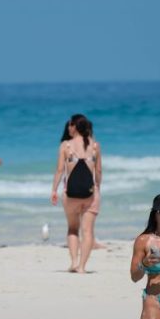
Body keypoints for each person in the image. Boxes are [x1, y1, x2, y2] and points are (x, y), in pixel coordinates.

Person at [50, 114, 102, 273]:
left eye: (70, 125)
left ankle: (73, 262)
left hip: (70, 194)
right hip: (90, 194)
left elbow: (60, 170)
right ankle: (82, 267)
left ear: (74, 126)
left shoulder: (66, 146)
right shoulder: (95, 146)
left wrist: (54, 190)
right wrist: (98, 188)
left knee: (73, 228)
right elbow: (98, 171)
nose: (68, 128)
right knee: (88, 232)